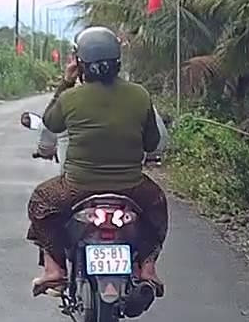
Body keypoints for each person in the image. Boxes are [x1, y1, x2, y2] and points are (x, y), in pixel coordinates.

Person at [27, 26, 168, 304]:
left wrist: (65, 83)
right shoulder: (139, 95)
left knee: (40, 202)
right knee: (157, 207)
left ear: (80, 64)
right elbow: (152, 143)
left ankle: (54, 269)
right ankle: (148, 268)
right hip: (132, 187)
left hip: (77, 187)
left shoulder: (70, 98)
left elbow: (51, 124)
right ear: (118, 61)